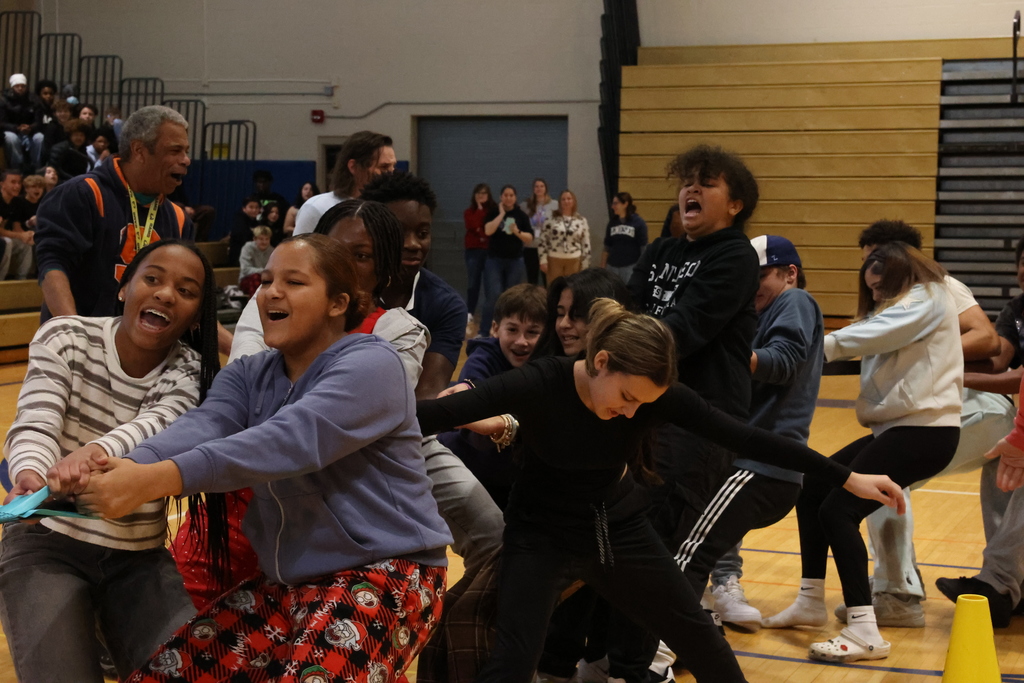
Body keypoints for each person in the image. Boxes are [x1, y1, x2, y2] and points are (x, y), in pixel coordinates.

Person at [417, 298, 904, 683]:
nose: (632, 414)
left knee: (698, 635)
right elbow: (425, 415)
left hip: (617, 529)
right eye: (627, 398)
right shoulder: (540, 382)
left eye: (644, 404)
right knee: (514, 662)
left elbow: (747, 436)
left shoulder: (651, 395)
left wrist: (844, 475)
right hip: (539, 537)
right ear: (600, 361)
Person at [77, 234, 452, 683]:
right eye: (268, 280)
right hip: (287, 585)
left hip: (387, 574)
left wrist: (155, 480)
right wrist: (126, 467)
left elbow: (286, 442)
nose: (270, 292)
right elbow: (205, 425)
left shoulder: (373, 364)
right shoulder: (250, 373)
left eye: (293, 282)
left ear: (338, 303)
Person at [0, 239, 219, 682]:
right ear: (125, 288)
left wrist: (92, 454)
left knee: (194, 671)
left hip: (136, 558)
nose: (164, 293)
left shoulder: (192, 372)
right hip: (46, 544)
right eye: (152, 278)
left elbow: (154, 426)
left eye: (186, 289)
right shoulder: (66, 336)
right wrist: (28, 473)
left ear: (197, 315)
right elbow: (36, 419)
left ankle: (105, 624)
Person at [764, 242, 962, 663]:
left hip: (924, 431)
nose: (873, 295)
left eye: (878, 287)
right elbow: (868, 340)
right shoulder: (905, 305)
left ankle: (864, 630)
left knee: (839, 510)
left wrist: (803, 346)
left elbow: (865, 336)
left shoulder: (928, 295)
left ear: (899, 275)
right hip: (897, 428)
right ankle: (810, 599)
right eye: (869, 288)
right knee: (815, 486)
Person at [646, 236, 823, 681]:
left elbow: (784, 360)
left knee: (685, 555)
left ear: (789, 274)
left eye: (761, 276)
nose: (754, 285)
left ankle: (657, 657)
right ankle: (701, 633)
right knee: (687, 545)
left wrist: (722, 353)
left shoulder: (796, 301)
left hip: (764, 466)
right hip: (747, 461)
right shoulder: (758, 312)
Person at [615, 145, 761, 680]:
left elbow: (684, 329)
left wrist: (615, 348)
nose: (691, 190)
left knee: (655, 540)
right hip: (640, 411)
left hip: (698, 420)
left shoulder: (735, 256)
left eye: (707, 183)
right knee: (618, 531)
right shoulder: (660, 251)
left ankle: (645, 660)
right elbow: (627, 304)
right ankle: (608, 655)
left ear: (736, 203)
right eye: (687, 182)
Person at [833, 219, 1009, 628]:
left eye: (877, 260)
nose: (870, 272)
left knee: (878, 476)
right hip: (949, 410)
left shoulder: (938, 287)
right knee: (880, 473)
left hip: (980, 409)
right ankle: (902, 587)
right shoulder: (898, 300)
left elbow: (987, 337)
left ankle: (897, 594)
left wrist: (923, 343)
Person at [933, 235, 1024, 627]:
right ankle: (1011, 587)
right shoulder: (1017, 309)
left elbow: (1019, 378)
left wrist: (953, 377)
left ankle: (997, 583)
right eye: (1022, 261)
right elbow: (1001, 360)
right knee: (1000, 468)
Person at [34, 105, 194, 321]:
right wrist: (75, 330)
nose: (186, 160)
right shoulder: (83, 194)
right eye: (175, 151)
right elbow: (52, 265)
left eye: (186, 151)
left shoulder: (179, 218)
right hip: (76, 346)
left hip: (143, 349)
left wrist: (236, 346)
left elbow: (191, 297)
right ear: (139, 151)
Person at [361, 170, 469, 399]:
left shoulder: (446, 305)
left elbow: (428, 394)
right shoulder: (343, 291)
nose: (413, 244)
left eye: (422, 233)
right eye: (399, 233)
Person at [438, 283, 545, 510]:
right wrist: (469, 394)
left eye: (533, 332)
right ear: (495, 329)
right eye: (512, 330)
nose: (521, 341)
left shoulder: (547, 365)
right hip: (465, 467)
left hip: (509, 475)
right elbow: (473, 392)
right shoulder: (484, 358)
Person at [294, 130, 395, 235]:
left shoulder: (387, 209)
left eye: (393, 167)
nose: (391, 173)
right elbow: (296, 251)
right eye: (384, 167)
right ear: (353, 167)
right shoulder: (317, 208)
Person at [480, 185, 533, 335]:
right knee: (493, 295)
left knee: (512, 297)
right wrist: (501, 214)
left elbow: (529, 239)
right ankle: (484, 331)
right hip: (494, 260)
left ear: (515, 198)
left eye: (511, 195)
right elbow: (488, 230)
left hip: (515, 261)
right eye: (505, 195)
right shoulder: (493, 212)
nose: (508, 197)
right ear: (501, 197)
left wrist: (517, 231)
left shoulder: (521, 215)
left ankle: (510, 331)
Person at [539, 189, 591, 281]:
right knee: (554, 289)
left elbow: (586, 243)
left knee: (572, 288)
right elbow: (543, 240)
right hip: (554, 259)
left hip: (574, 259)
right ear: (559, 202)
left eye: (569, 199)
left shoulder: (581, 220)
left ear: (573, 201)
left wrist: (586, 261)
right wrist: (543, 260)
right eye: (563, 199)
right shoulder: (551, 219)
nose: (566, 201)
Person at [464, 182, 495, 322]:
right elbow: (474, 225)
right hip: (473, 251)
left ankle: (490, 314)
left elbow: (489, 229)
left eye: (484, 193)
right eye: (478, 193)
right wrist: (480, 209)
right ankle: (470, 311)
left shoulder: (493, 211)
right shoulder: (469, 212)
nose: (481, 196)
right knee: (473, 283)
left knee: (491, 285)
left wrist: (482, 232)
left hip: (489, 252)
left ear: (488, 195)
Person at [601, 192, 647, 282]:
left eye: (615, 203)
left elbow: (643, 247)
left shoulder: (638, 223)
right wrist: (602, 267)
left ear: (625, 204)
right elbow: (607, 247)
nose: (612, 206)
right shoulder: (612, 223)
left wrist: (642, 268)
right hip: (612, 267)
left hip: (630, 267)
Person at [521, 178, 558, 285]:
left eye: (541, 186)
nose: (539, 189)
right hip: (531, 247)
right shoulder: (525, 205)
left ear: (546, 188)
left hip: (547, 247)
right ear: (533, 189)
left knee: (548, 279)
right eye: (536, 186)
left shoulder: (554, 205)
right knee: (532, 279)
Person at [0, 169, 33, 279]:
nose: (17, 186)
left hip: (4, 237)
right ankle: (2, 281)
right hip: (3, 240)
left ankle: (21, 281)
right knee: (7, 243)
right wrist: (20, 235)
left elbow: (16, 227)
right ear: (2, 184)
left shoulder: (17, 202)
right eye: (13, 182)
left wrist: (27, 236)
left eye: (19, 182)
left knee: (25, 246)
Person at [237, 225, 273, 296]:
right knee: (255, 277)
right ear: (255, 239)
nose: (264, 242)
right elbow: (245, 269)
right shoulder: (247, 248)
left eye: (267, 239)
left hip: (265, 279)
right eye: (261, 239)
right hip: (248, 279)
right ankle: (255, 305)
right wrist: (263, 271)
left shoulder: (272, 250)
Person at [227, 195, 260, 266]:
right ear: (244, 209)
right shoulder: (239, 220)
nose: (254, 210)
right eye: (251, 207)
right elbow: (242, 237)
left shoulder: (257, 223)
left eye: (257, 207)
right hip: (239, 258)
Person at [31, 79, 57, 168]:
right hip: (37, 135)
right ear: (40, 95)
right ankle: (37, 167)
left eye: (51, 94)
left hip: (53, 136)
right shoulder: (35, 107)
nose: (48, 96)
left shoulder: (56, 108)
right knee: (39, 138)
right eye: (45, 94)